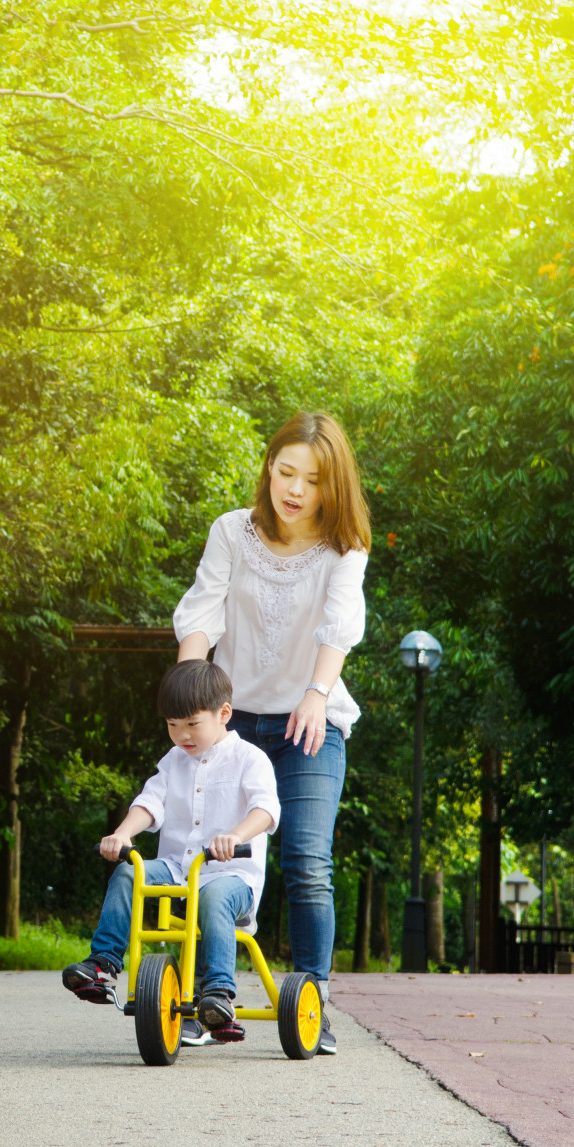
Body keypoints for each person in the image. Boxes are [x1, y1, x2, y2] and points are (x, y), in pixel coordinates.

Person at [171, 411, 370, 1055]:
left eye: (311, 480)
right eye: (285, 471)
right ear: (269, 467)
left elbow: (338, 625)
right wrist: (190, 695)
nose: (294, 490)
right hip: (231, 726)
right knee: (205, 861)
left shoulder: (345, 549)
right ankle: (206, 998)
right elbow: (201, 615)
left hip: (306, 727)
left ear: (330, 487)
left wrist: (315, 695)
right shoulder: (232, 532)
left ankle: (312, 1001)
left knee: (307, 863)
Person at [62, 660, 279, 1042]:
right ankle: (104, 963)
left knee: (214, 897)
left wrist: (235, 834)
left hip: (231, 879)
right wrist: (123, 833)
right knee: (130, 872)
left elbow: (265, 809)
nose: (182, 735)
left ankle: (218, 993)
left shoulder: (250, 759)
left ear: (223, 713)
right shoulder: (173, 761)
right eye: (172, 725)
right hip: (180, 869)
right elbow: (151, 802)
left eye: (192, 724)